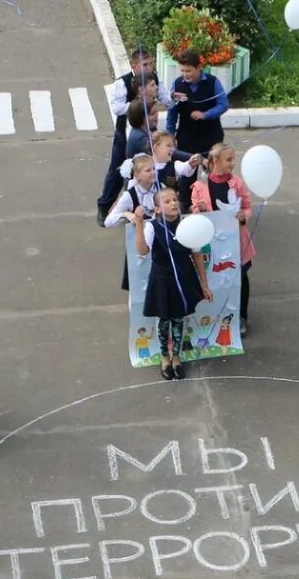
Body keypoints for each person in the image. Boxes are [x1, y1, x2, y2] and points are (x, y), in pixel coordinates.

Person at [131, 187, 209, 382]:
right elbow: (142, 251)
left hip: (183, 278)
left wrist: (204, 285)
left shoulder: (187, 225)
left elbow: (197, 256)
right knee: (164, 320)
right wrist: (139, 224)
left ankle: (176, 357)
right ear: (157, 209)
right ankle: (164, 357)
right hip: (162, 280)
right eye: (167, 201)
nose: (173, 203)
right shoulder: (152, 227)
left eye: (175, 199)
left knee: (179, 319)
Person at [191, 142, 256, 332]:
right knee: (216, 277)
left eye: (234, 159)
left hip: (236, 241)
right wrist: (199, 210)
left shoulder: (237, 183)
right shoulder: (201, 185)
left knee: (241, 277)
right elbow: (194, 210)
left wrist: (245, 216)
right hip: (213, 243)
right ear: (215, 161)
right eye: (229, 159)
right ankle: (216, 313)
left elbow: (247, 206)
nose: (233, 163)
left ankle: (241, 316)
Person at [99, 48, 162, 220]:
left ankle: (141, 209)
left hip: (146, 132)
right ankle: (104, 207)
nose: (148, 68)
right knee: (117, 170)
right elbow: (117, 108)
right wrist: (138, 104)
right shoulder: (123, 83)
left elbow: (162, 96)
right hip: (124, 134)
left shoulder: (153, 79)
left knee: (147, 169)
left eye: (150, 64)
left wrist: (170, 96)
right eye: (144, 65)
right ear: (133, 66)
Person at [165, 48, 228, 158]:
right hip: (186, 139)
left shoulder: (213, 82)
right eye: (182, 70)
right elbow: (172, 112)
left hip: (211, 138)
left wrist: (205, 114)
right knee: (186, 173)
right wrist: (170, 135)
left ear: (199, 67)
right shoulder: (177, 84)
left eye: (188, 71)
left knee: (213, 174)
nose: (185, 74)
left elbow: (223, 104)